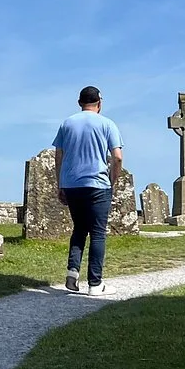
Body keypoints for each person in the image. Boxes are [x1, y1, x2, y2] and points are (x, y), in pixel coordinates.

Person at [53, 85, 123, 296]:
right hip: (98, 184)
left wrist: (60, 184)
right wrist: (113, 179)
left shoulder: (67, 123)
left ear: (79, 103)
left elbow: (58, 155)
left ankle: (72, 274)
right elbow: (117, 156)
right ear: (99, 104)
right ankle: (95, 283)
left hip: (72, 184)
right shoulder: (107, 124)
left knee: (79, 230)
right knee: (98, 233)